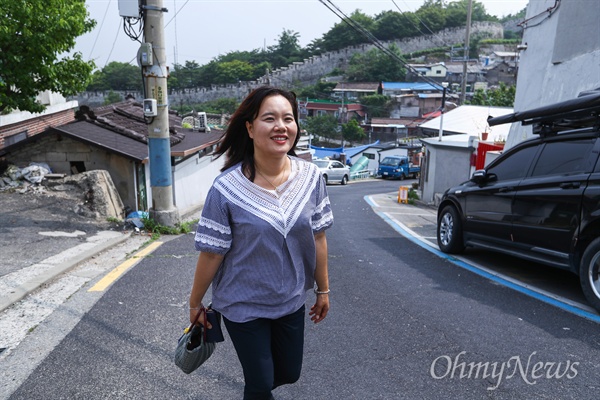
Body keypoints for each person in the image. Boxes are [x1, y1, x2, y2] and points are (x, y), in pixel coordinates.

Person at [188, 86, 333, 400]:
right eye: (270, 118)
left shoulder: (311, 177)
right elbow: (212, 253)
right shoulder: (226, 189)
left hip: (291, 299)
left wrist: (323, 290)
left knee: (289, 373)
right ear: (251, 128)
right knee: (260, 383)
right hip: (242, 304)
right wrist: (195, 303)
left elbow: (318, 237)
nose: (281, 126)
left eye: (288, 118)